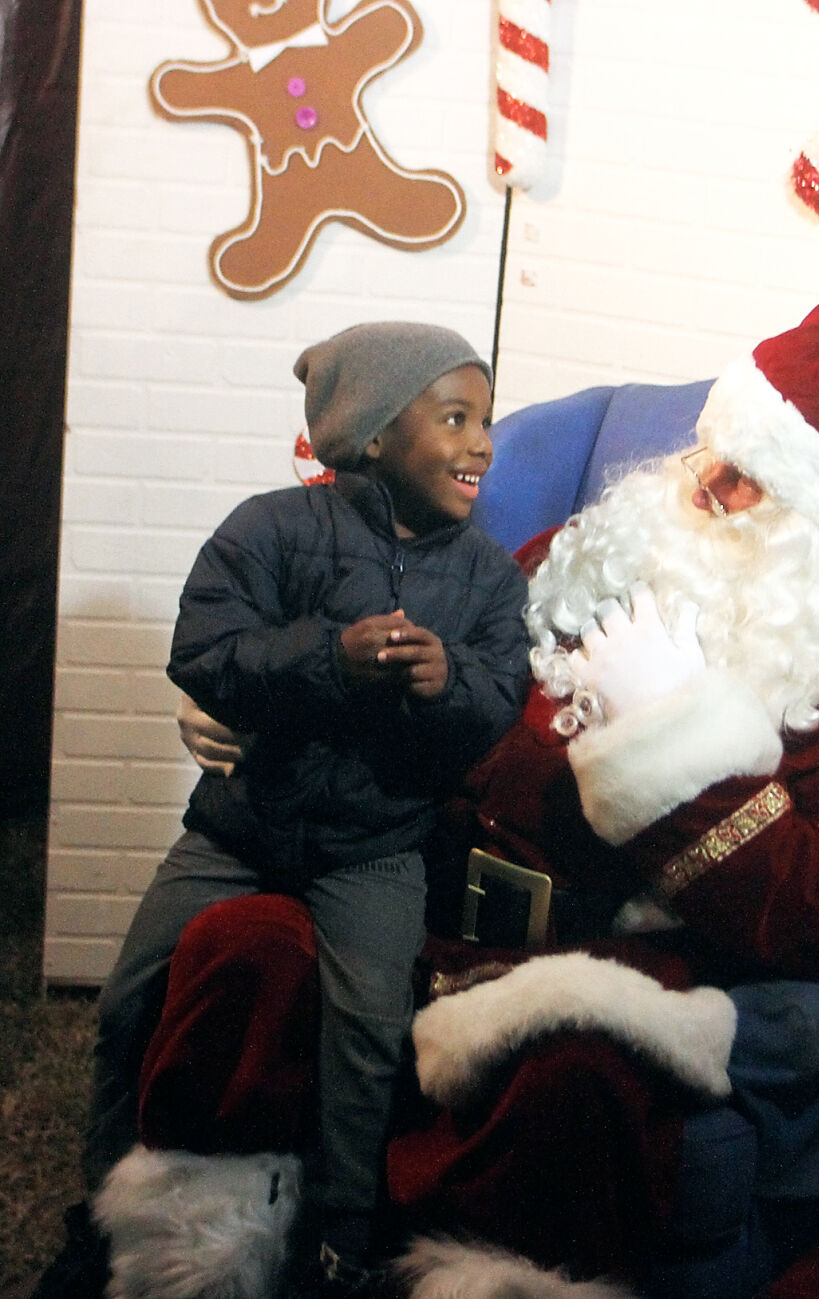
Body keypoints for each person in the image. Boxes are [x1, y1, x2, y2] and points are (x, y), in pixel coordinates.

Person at [87, 298, 819, 1299]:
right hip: (405, 899)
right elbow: (410, 682)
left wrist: (671, 745)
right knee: (242, 949)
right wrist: (250, 717)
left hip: (595, 968)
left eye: (750, 485)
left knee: (572, 1075)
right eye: (713, 452)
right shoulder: (575, 555)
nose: (703, 485)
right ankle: (197, 1267)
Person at [36, 322, 532, 1299]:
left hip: (375, 848)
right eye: (456, 418)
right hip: (241, 825)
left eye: (488, 422)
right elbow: (207, 651)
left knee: (370, 1033)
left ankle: (344, 1238)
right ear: (376, 434)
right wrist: (327, 657)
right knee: (131, 995)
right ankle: (102, 1213)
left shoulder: (487, 577)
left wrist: (448, 683)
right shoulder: (270, 528)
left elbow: (500, 706)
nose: (482, 443)